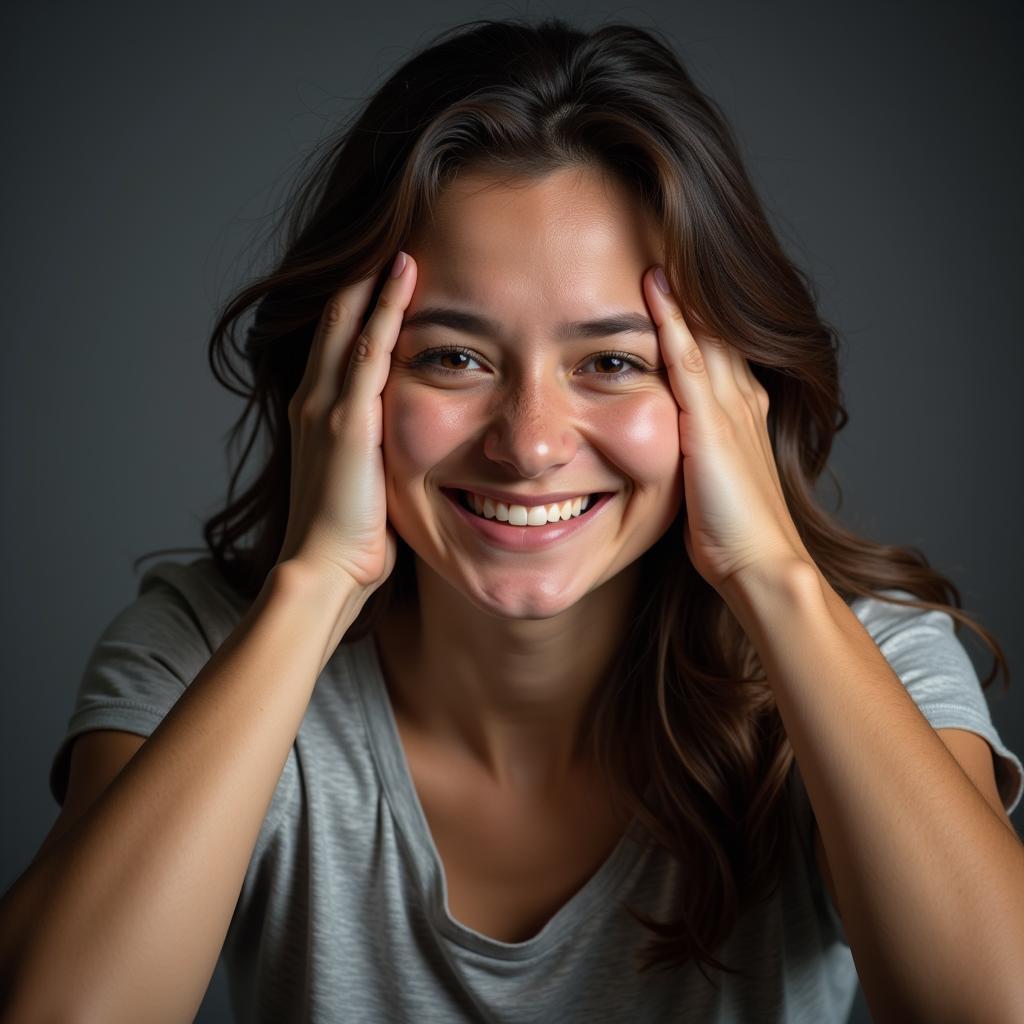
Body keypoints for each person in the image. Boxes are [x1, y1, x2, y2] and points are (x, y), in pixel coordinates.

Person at [2, 15, 1021, 1024]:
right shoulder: (206, 648)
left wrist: (769, 572)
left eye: (613, 363)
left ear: (728, 396)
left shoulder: (870, 658)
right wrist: (312, 588)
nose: (529, 444)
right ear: (337, 379)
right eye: (453, 356)